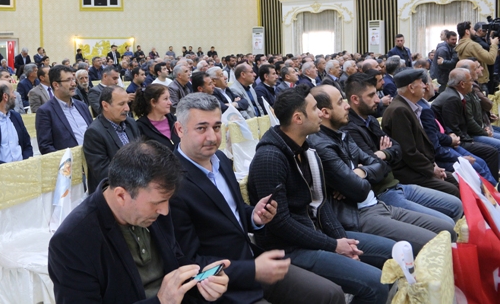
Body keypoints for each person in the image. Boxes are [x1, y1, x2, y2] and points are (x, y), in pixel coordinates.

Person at [171, 93, 346, 304]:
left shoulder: (221, 159)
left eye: (217, 127)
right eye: (201, 128)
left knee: (331, 294)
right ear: (180, 130)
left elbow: (232, 213)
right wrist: (252, 269)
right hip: (221, 285)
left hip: (253, 260)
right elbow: (190, 262)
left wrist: (254, 216)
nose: (212, 137)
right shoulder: (172, 184)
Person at [248, 86, 394, 304]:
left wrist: (342, 241)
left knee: (392, 254)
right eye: (315, 108)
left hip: (317, 235)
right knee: (376, 283)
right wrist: (333, 245)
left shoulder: (306, 149)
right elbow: (281, 224)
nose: (320, 113)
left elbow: (321, 202)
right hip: (290, 248)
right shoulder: (269, 158)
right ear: (298, 118)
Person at [49, 140, 230, 304]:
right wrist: (161, 301)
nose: (165, 211)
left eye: (167, 200)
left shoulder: (153, 209)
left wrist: (202, 283)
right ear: (121, 195)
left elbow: (175, 262)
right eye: (157, 203)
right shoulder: (72, 241)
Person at [308, 85, 456, 254]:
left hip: (379, 202)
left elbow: (382, 165)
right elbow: (359, 189)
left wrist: (362, 172)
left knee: (447, 228)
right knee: (436, 241)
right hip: (359, 213)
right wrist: (356, 178)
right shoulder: (322, 145)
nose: (347, 106)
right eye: (341, 102)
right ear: (325, 112)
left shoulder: (343, 134)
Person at [342, 73, 463, 224]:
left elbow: (397, 148)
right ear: (355, 99)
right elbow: (375, 164)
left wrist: (383, 154)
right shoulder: (350, 128)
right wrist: (386, 155)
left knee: (456, 203)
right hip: (383, 191)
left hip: (395, 183)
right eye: (371, 95)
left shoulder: (371, 120)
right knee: (447, 220)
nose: (378, 99)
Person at [382, 69, 461, 198]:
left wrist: (433, 165)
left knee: (457, 180)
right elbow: (408, 152)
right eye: (421, 82)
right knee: (452, 190)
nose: (425, 86)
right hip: (408, 171)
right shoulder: (399, 111)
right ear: (411, 88)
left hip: (420, 166)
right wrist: (431, 169)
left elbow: (421, 145)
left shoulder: (408, 107)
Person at [430, 68, 500, 183]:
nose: (472, 83)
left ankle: (493, 186)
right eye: (470, 80)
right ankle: (492, 187)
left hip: (459, 136)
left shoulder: (455, 94)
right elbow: (453, 127)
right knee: (491, 151)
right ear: (462, 84)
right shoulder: (452, 98)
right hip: (456, 140)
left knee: (487, 154)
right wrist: (472, 139)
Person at [83, 86, 141, 192]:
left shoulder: (131, 123)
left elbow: (141, 155)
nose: (127, 108)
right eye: (121, 104)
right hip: (113, 190)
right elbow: (104, 173)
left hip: (137, 182)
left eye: (127, 103)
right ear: (105, 106)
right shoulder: (94, 133)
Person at [36, 65, 92, 154]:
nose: (74, 84)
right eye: (68, 80)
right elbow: (45, 146)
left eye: (73, 79)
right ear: (56, 85)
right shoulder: (46, 111)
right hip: (69, 161)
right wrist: (67, 159)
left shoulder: (82, 106)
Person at [133, 84, 180, 151]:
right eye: (165, 99)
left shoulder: (174, 120)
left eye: (169, 98)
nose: (170, 103)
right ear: (153, 102)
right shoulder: (140, 127)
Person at [455, 21, 499, 89]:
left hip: (470, 80)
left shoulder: (461, 44)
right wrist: (494, 44)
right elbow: (490, 59)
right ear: (467, 31)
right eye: (472, 29)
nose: (475, 32)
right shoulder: (472, 45)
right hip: (479, 82)